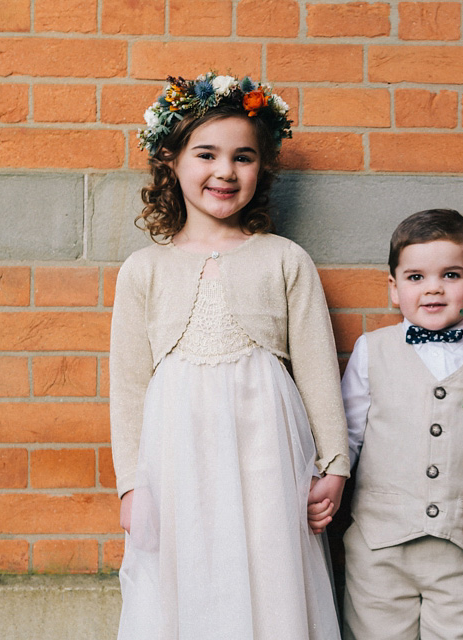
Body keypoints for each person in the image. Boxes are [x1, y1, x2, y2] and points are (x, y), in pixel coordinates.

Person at [109, 72, 347, 639]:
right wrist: (131, 484)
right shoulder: (143, 269)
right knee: (187, 565)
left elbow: (317, 370)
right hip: (177, 449)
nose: (225, 171)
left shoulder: (285, 260)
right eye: (207, 154)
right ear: (170, 158)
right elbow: (128, 384)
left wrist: (334, 466)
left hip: (265, 440)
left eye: (243, 157)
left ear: (262, 167)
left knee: (269, 562)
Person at [341, 209, 463, 639]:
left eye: (450, 275)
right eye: (415, 277)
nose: (433, 289)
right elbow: (348, 436)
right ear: (393, 288)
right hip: (379, 546)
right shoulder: (372, 350)